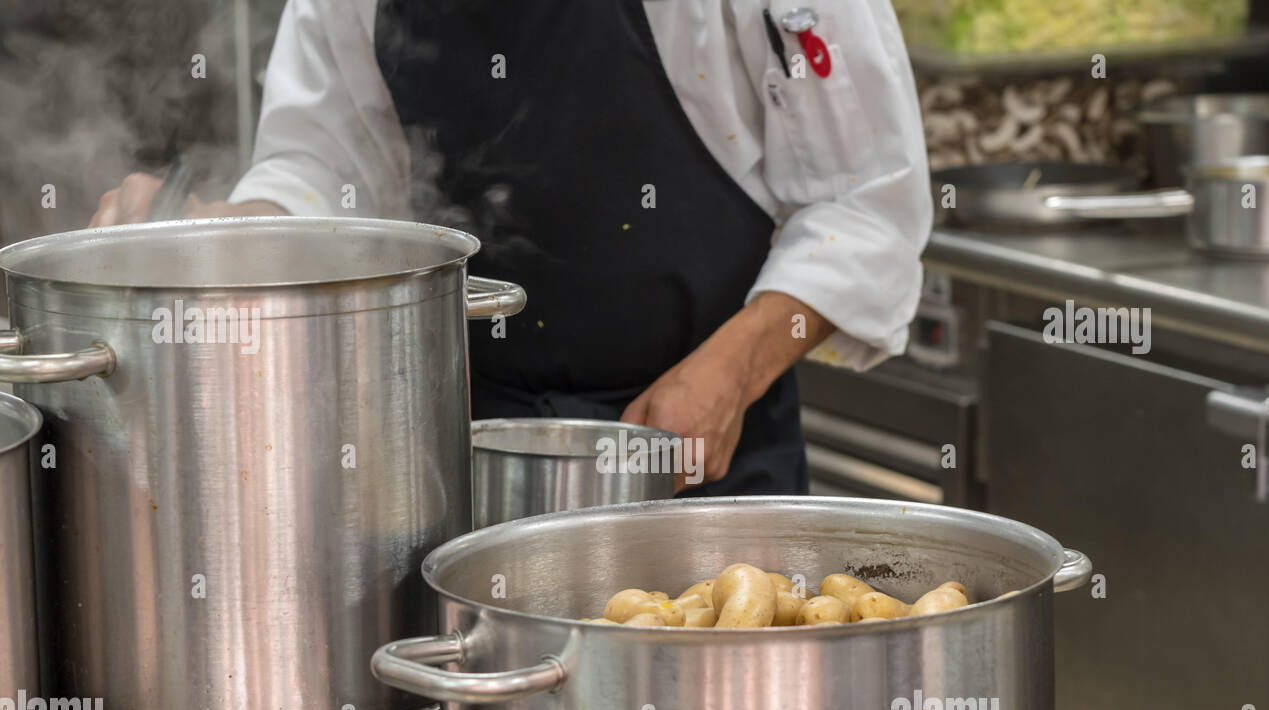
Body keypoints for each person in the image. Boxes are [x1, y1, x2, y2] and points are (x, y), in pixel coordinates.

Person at [92, 0, 931, 494]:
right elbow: (326, 164)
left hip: (702, 460)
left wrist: (730, 374)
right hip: (457, 461)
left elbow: (865, 208)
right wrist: (223, 236)